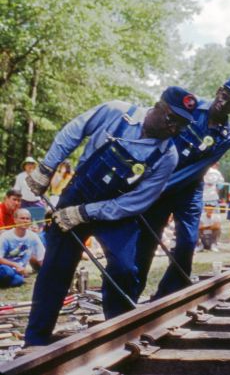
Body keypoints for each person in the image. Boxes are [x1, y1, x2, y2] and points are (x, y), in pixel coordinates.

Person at [23, 86, 193, 345]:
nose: (174, 130)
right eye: (172, 120)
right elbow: (73, 131)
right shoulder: (116, 112)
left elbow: (136, 201)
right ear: (158, 106)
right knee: (55, 270)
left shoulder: (167, 156)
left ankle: (118, 336)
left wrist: (85, 213)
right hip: (77, 197)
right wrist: (46, 168)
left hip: (117, 213)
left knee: (124, 270)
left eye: (181, 126)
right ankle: (35, 341)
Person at [135, 78, 230, 301]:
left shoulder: (226, 137)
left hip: (189, 188)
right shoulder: (191, 108)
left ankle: (169, 295)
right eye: (226, 95)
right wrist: (152, 183)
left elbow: (198, 168)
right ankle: (130, 295)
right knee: (147, 241)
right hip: (159, 181)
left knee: (187, 241)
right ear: (219, 91)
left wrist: (164, 187)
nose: (226, 103)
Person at [0, 209, 45, 288]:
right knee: (8, 272)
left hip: (18, 272)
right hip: (4, 267)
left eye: (27, 219)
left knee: (19, 280)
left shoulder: (33, 236)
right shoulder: (6, 236)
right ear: (15, 220)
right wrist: (15, 265)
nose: (25, 221)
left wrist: (48, 272)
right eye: (22, 218)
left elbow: (41, 257)